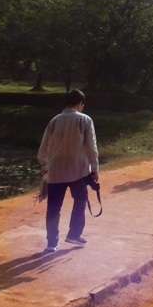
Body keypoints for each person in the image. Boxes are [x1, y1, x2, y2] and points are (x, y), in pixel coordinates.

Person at [38, 89, 99, 253]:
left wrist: (44, 168)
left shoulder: (54, 121)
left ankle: (51, 243)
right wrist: (94, 168)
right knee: (80, 199)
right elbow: (91, 147)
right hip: (77, 170)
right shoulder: (85, 120)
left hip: (55, 171)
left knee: (53, 207)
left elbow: (43, 149)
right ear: (80, 104)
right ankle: (74, 233)